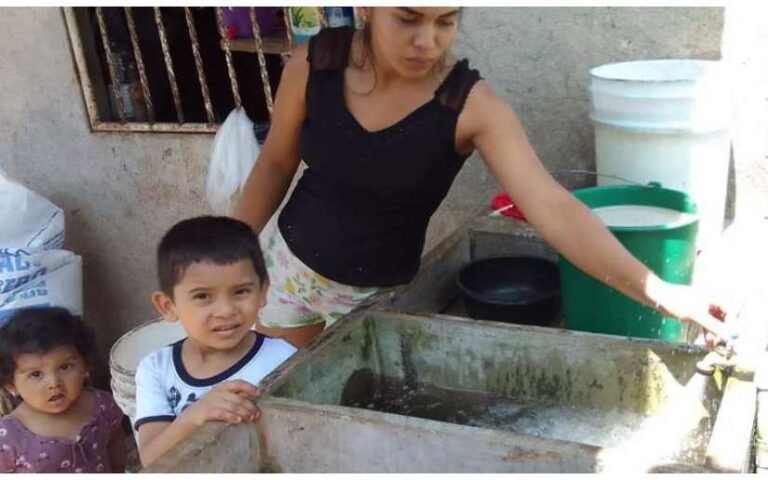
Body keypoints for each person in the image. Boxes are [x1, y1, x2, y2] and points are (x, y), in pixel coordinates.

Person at [235, 7, 731, 348]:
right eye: (407, 18)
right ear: (367, 7)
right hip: (286, 271)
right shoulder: (315, 64)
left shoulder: (470, 106)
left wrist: (663, 293)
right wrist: (228, 257)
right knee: (272, 392)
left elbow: (553, 207)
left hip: (374, 297)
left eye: (445, 21)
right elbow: (276, 162)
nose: (427, 41)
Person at [134, 216, 296, 467]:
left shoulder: (283, 359)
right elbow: (150, 459)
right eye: (203, 296)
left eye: (241, 291)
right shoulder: (156, 369)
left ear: (263, 290)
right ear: (168, 306)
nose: (226, 310)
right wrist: (195, 416)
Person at [0, 307, 126, 473]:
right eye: (36, 374)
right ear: (11, 385)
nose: (54, 383)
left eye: (65, 367)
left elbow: (115, 442)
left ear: (86, 365)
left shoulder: (102, 406)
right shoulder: (8, 437)